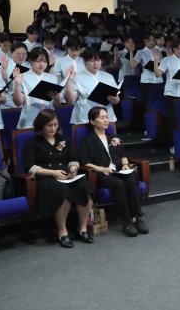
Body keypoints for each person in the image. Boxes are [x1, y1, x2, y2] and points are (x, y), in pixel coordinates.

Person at [22, 109, 93, 248]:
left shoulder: (63, 140)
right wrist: (53, 173)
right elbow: (30, 167)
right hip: (46, 178)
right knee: (61, 192)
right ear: (41, 126)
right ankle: (62, 231)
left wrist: (73, 169)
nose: (53, 128)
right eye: (49, 125)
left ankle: (82, 228)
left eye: (55, 125)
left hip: (66, 176)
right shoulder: (33, 143)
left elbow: (73, 159)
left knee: (85, 187)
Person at [79, 107, 148, 237]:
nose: (106, 120)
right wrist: (102, 169)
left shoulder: (113, 137)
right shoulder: (87, 141)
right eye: (102, 117)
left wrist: (126, 165)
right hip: (102, 172)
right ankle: (126, 221)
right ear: (92, 121)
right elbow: (85, 162)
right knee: (118, 184)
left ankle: (137, 218)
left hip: (119, 170)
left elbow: (123, 154)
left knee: (132, 178)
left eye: (106, 117)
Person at [64, 49, 120, 125]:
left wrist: (115, 99)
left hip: (107, 119)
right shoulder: (76, 76)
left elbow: (117, 100)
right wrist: (69, 81)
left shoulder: (108, 76)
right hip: (85, 119)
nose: (95, 64)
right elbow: (70, 100)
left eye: (98, 60)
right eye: (92, 60)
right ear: (85, 62)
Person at [14, 48, 64, 129]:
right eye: (38, 61)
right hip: (30, 120)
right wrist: (17, 84)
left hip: (50, 120)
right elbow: (18, 103)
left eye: (44, 61)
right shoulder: (22, 77)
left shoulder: (52, 78)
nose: (41, 64)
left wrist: (57, 99)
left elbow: (56, 104)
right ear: (31, 61)